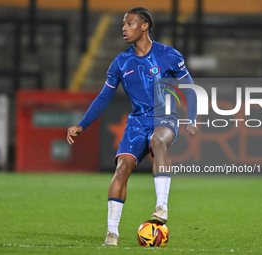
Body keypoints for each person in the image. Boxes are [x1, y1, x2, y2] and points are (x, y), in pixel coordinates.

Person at [67, 7, 198, 246]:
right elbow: (104, 97)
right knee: (122, 168)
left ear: (145, 26)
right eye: (123, 24)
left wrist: (192, 118)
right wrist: (82, 124)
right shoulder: (121, 62)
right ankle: (112, 234)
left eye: (129, 23)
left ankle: (161, 207)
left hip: (165, 117)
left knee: (158, 141)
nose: (124, 28)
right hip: (137, 122)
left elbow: (190, 88)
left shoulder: (168, 55)